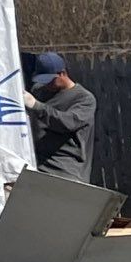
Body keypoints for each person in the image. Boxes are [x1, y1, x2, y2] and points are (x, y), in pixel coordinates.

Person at [24, 51, 95, 181]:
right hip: (38, 167)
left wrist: (37, 106)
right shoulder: (39, 92)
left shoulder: (84, 99)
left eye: (50, 80)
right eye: (43, 81)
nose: (47, 84)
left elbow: (67, 122)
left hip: (67, 171)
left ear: (62, 73)